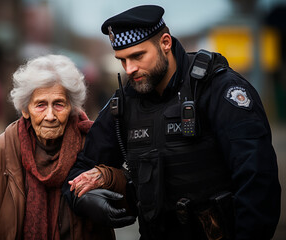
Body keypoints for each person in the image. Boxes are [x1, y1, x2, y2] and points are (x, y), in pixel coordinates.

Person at [64, 5, 281, 240]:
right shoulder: (125, 104)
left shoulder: (217, 89)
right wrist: (85, 200)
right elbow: (78, 173)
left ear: (165, 42)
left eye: (138, 56)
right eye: (122, 60)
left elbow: (257, 180)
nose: (130, 69)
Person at [0, 55, 128, 240]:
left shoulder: (93, 144)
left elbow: (130, 197)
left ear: (72, 108)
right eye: (40, 105)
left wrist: (106, 177)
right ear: (25, 109)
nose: (50, 116)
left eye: (59, 104)